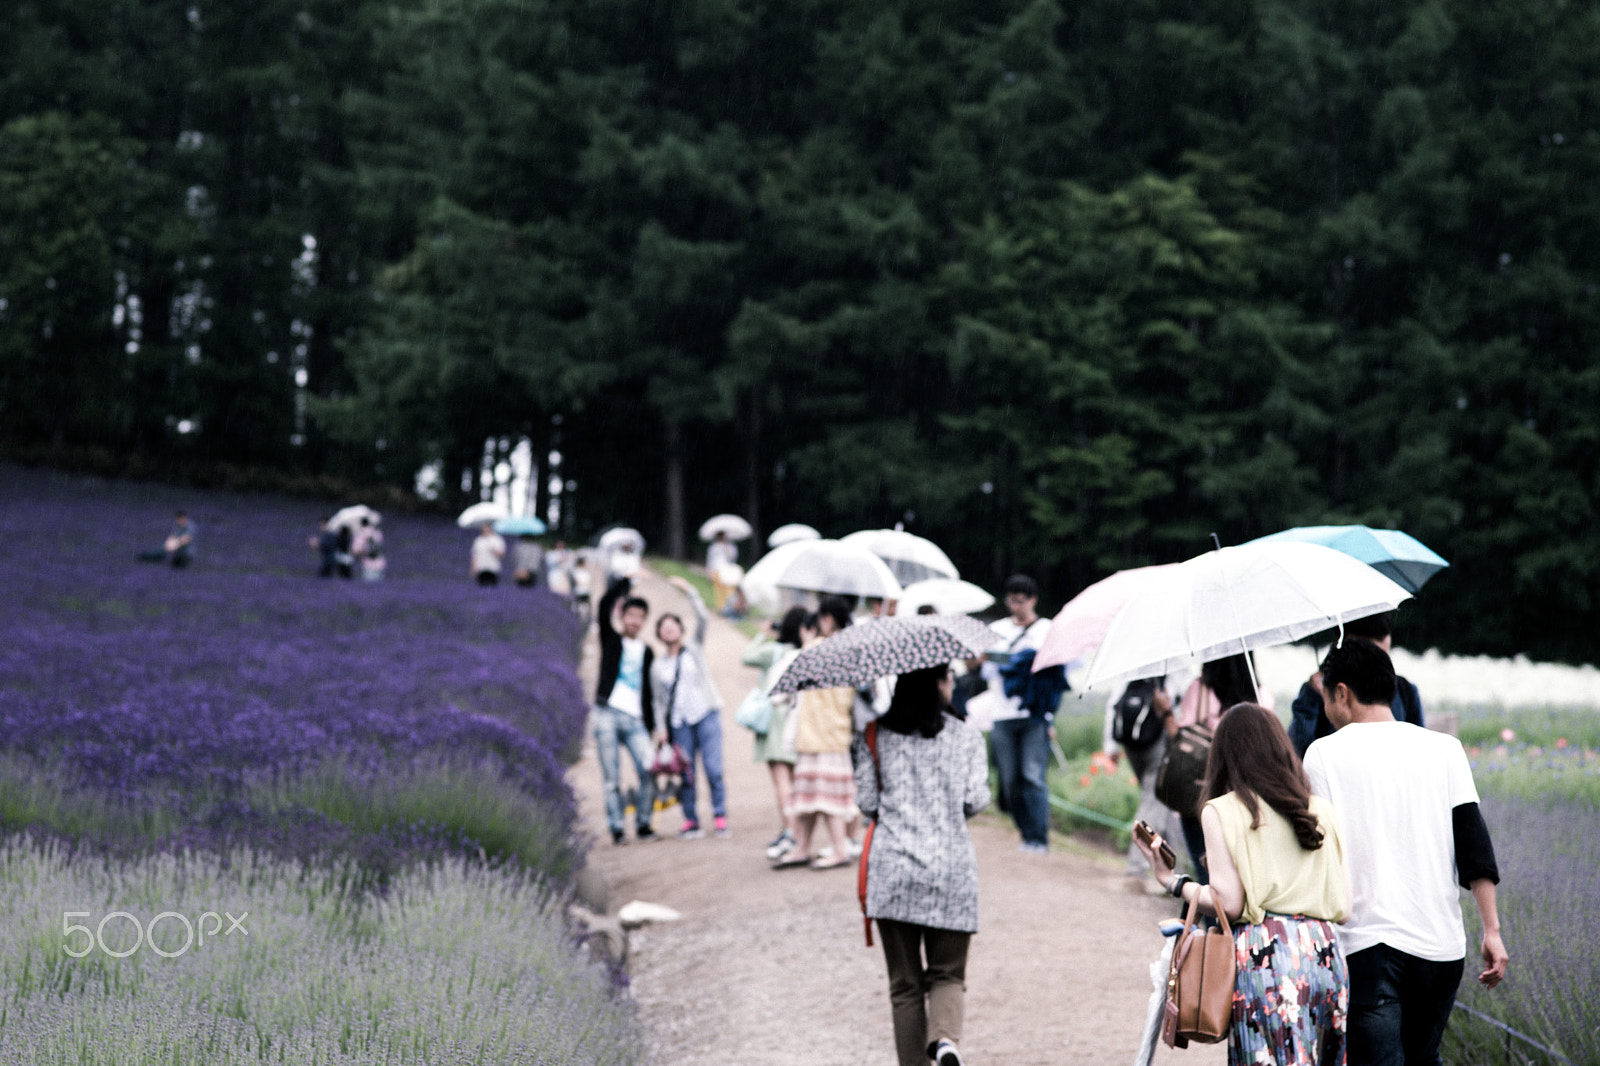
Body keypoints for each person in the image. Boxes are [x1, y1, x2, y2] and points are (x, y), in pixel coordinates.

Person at [1304, 639, 1506, 1066]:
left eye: (1324, 696)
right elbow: (1474, 844)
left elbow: (1317, 853)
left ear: (1342, 693)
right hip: (1441, 948)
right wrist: (1492, 930)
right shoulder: (1445, 748)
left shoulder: (1322, 755)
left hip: (1367, 947)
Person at [1136, 702, 1353, 1066]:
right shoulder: (1321, 810)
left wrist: (1172, 882)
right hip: (1325, 954)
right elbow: (1344, 906)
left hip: (1266, 956)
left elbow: (1229, 902)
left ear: (1223, 755)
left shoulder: (1221, 810)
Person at [855, 664, 990, 1066]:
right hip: (951, 869)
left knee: (905, 986)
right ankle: (945, 1041)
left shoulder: (875, 735)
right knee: (947, 975)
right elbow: (976, 799)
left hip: (893, 871)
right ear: (940, 684)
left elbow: (867, 802)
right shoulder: (966, 736)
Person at [1168, 652, 1271, 880]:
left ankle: (1212, 913)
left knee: (1206, 868)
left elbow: (1181, 738)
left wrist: (1165, 713)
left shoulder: (1200, 690)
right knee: (1243, 870)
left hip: (1202, 792)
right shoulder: (1260, 696)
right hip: (1246, 794)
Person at [776, 597, 858, 870]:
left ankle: (838, 849)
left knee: (823, 799)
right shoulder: (853, 652)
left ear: (827, 619)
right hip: (837, 733)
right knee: (811, 797)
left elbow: (784, 687)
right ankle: (802, 846)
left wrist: (806, 641)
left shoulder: (814, 649)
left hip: (815, 734)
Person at [652, 576, 728, 839]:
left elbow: (703, 618)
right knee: (686, 773)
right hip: (679, 722)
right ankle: (691, 820)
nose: (669, 630)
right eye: (664, 627)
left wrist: (689, 590)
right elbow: (658, 701)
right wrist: (661, 729)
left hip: (706, 714)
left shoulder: (693, 648)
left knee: (714, 768)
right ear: (659, 634)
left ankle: (720, 815)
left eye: (673, 625)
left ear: (681, 630)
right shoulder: (658, 666)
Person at [1289, 612, 1424, 759]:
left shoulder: (1404, 690)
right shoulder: (1318, 690)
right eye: (1364, 654)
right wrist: (1311, 699)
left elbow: (1420, 750)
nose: (1376, 663)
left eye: (1381, 655)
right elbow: (1295, 755)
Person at [983, 574, 1053, 854]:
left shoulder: (1047, 629)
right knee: (1009, 779)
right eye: (1010, 601)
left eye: (1020, 601)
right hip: (1001, 713)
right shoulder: (997, 630)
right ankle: (1026, 833)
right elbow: (986, 669)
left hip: (1034, 715)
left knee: (1032, 775)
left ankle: (1039, 837)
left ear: (1033, 600)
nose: (1014, 606)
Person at [594, 576, 659, 845]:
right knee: (612, 778)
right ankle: (618, 828)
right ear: (622, 616)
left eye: (640, 616)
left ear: (644, 621)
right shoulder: (610, 639)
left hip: (635, 719)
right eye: (630, 615)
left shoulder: (647, 651)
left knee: (649, 770)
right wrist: (624, 584)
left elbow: (650, 692)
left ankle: (644, 823)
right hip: (607, 713)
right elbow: (603, 605)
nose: (634, 621)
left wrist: (654, 725)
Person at [1103, 673, 1182, 886]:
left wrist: (1110, 746)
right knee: (1154, 802)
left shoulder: (1132, 671)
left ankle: (1176, 868)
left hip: (1132, 744)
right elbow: (1177, 712)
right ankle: (1136, 870)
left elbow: (1113, 707)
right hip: (1158, 744)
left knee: (1164, 804)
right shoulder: (1173, 675)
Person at [743, 606, 809, 860]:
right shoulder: (805, 653)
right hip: (795, 719)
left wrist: (764, 633)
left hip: (775, 721)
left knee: (782, 782)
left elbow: (747, 656)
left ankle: (790, 834)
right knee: (793, 781)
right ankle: (792, 832)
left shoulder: (776, 652)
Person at [706, 530, 738, 611]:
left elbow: (733, 557)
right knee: (719, 590)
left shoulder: (730, 547)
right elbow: (710, 560)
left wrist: (727, 547)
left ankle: (730, 607)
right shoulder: (713, 547)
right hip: (716, 570)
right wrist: (709, 572)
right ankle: (721, 607)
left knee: (729, 590)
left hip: (726, 570)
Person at [355, 518, 385, 582]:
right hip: (380, 563)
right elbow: (381, 545)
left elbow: (357, 550)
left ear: (361, 524)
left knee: (369, 587)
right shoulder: (377, 532)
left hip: (368, 564)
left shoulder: (361, 534)